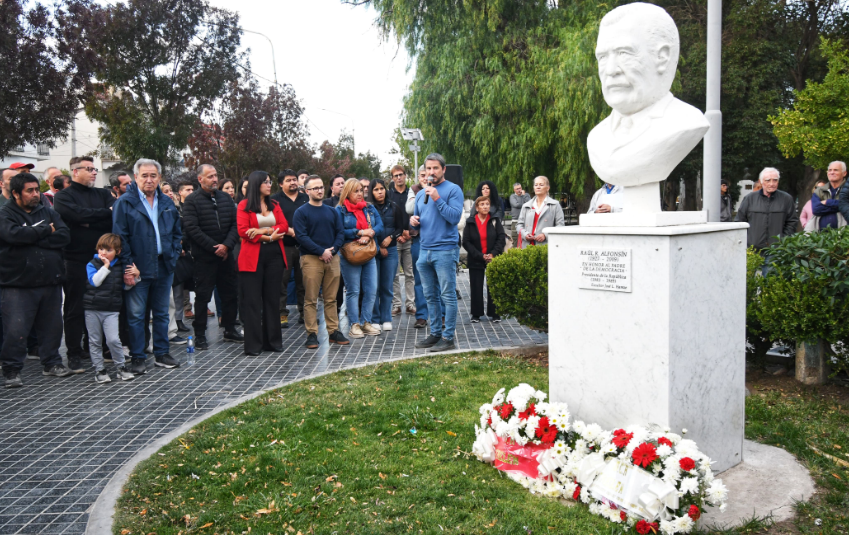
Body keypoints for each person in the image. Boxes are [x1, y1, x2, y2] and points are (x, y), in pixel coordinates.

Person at [0, 173, 73, 387]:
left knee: (52, 327)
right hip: (17, 284)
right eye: (29, 191)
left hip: (50, 281)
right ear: (15, 193)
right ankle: (12, 370)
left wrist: (31, 237)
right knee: (16, 329)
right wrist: (44, 230)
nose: (35, 194)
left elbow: (64, 236)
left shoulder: (47, 211)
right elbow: (13, 236)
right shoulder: (5, 214)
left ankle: (52, 363)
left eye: (36, 189)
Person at [112, 158, 183, 374]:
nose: (149, 180)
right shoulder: (125, 203)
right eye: (144, 175)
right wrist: (127, 267)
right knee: (136, 315)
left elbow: (177, 233)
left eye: (153, 175)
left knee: (162, 313)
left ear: (160, 178)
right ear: (136, 177)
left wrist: (173, 256)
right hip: (137, 267)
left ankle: (162, 353)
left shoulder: (167, 202)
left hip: (163, 265)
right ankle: (138, 356)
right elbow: (119, 238)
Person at [54, 156, 116, 373]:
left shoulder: (102, 193)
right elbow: (71, 214)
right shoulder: (63, 196)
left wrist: (87, 221)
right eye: (88, 169)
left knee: (100, 304)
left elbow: (112, 215)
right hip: (76, 259)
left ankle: (94, 347)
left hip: (102, 260)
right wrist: (100, 216)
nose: (93, 172)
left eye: (94, 169)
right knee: (75, 307)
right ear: (74, 171)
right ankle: (74, 353)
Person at [181, 164, 243, 350]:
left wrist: (227, 246)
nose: (215, 179)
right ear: (200, 179)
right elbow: (192, 228)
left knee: (230, 294)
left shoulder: (225, 198)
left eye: (216, 175)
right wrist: (214, 248)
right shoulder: (192, 201)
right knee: (202, 297)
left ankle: (230, 329)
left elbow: (235, 224)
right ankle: (200, 334)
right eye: (210, 176)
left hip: (226, 256)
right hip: (205, 258)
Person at [409, 153, 464, 352]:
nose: (431, 172)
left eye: (435, 168)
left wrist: (437, 198)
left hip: (445, 251)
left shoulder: (453, 190)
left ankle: (448, 337)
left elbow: (454, 218)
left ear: (443, 170)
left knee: (447, 295)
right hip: (424, 250)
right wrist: (413, 221)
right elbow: (417, 217)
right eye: (428, 169)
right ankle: (435, 334)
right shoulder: (421, 193)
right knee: (429, 295)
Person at [293, 175, 348, 349]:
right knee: (311, 299)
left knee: (331, 298)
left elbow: (341, 233)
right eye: (315, 188)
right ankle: (312, 334)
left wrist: (333, 250)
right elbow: (301, 236)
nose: (319, 190)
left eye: (321, 187)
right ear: (307, 191)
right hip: (311, 259)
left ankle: (333, 331)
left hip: (332, 257)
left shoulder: (332, 211)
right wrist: (320, 251)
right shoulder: (301, 212)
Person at [237, 171, 288, 355]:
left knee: (272, 299)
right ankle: (253, 346)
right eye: (266, 182)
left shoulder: (274, 204)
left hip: (274, 255)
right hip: (253, 257)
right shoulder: (244, 205)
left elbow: (283, 225)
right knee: (252, 301)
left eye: (270, 181)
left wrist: (262, 230)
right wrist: (268, 237)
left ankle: (273, 342)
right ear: (256, 184)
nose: (269, 184)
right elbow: (243, 231)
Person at [84, 233, 137, 383]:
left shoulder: (120, 266)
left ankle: (121, 367)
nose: (103, 253)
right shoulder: (92, 264)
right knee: (94, 340)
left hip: (111, 310)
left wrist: (136, 275)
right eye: (101, 249)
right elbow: (95, 282)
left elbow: (127, 286)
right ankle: (99, 370)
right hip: (92, 308)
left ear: (118, 252)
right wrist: (106, 266)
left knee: (114, 339)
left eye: (108, 250)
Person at [337, 178, 384, 338]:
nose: (360, 194)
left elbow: (380, 225)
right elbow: (340, 231)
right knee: (353, 290)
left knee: (371, 289)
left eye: (361, 191)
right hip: (350, 254)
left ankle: (366, 322)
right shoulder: (340, 210)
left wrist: (370, 233)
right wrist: (358, 233)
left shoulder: (369, 208)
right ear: (347, 193)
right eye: (355, 191)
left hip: (368, 251)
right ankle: (354, 324)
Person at [270, 169, 309, 328]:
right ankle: (281, 314)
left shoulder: (306, 198)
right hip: (283, 246)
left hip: (305, 247)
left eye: (294, 179)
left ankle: (304, 313)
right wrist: (289, 231)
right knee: (281, 281)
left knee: (304, 282)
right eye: (288, 180)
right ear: (280, 184)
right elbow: (271, 222)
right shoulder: (274, 200)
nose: (293, 182)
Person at [369, 178, 406, 331]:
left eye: (382, 189)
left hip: (390, 250)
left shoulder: (394, 206)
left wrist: (390, 238)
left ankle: (386, 318)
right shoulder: (368, 208)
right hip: (373, 250)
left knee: (387, 286)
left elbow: (400, 227)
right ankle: (375, 318)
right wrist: (379, 246)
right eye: (376, 189)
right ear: (371, 192)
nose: (380, 192)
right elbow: (367, 228)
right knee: (374, 286)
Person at [463, 196, 506, 322]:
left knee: (493, 285)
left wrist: (492, 254)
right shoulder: (471, 222)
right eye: (482, 204)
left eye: (487, 204)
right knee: (476, 286)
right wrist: (480, 256)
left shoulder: (494, 220)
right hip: (476, 259)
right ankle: (476, 314)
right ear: (477, 207)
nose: (485, 206)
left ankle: (495, 313)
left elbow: (501, 237)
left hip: (493, 258)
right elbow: (466, 242)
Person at [735, 167, 798, 250]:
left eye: (775, 180)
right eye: (768, 180)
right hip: (754, 250)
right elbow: (740, 222)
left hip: (777, 250)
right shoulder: (750, 198)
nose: (772, 184)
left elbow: (792, 222)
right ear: (761, 181)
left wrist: (783, 240)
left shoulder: (786, 199)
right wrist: (748, 241)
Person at [387, 165, 414, 317]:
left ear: (405, 175)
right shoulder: (389, 196)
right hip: (395, 239)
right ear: (392, 178)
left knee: (410, 274)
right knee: (395, 275)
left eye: (401, 175)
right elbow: (388, 219)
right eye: (395, 175)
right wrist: (397, 235)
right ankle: (397, 305)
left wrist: (409, 233)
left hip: (410, 238)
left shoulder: (412, 193)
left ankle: (410, 304)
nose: (398, 177)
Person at [406, 165, 430, 328]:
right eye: (421, 175)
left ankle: (442, 315)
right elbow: (409, 208)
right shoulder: (414, 190)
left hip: (436, 240)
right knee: (419, 280)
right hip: (418, 241)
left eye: (426, 174)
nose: (424, 177)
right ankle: (422, 315)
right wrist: (422, 192)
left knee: (439, 280)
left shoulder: (440, 189)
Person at [517, 176, 566, 248]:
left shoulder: (554, 205)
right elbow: (519, 225)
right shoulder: (526, 206)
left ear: (548, 188)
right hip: (527, 246)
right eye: (536, 185)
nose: (538, 187)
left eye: (541, 185)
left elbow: (560, 225)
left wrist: (545, 234)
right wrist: (525, 234)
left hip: (547, 246)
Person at [809, 161, 847, 231]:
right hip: (821, 237)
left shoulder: (847, 189)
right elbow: (816, 209)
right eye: (830, 170)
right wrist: (839, 205)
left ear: (844, 173)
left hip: (845, 235)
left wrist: (828, 202)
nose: (832, 172)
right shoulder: (819, 190)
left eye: (836, 170)